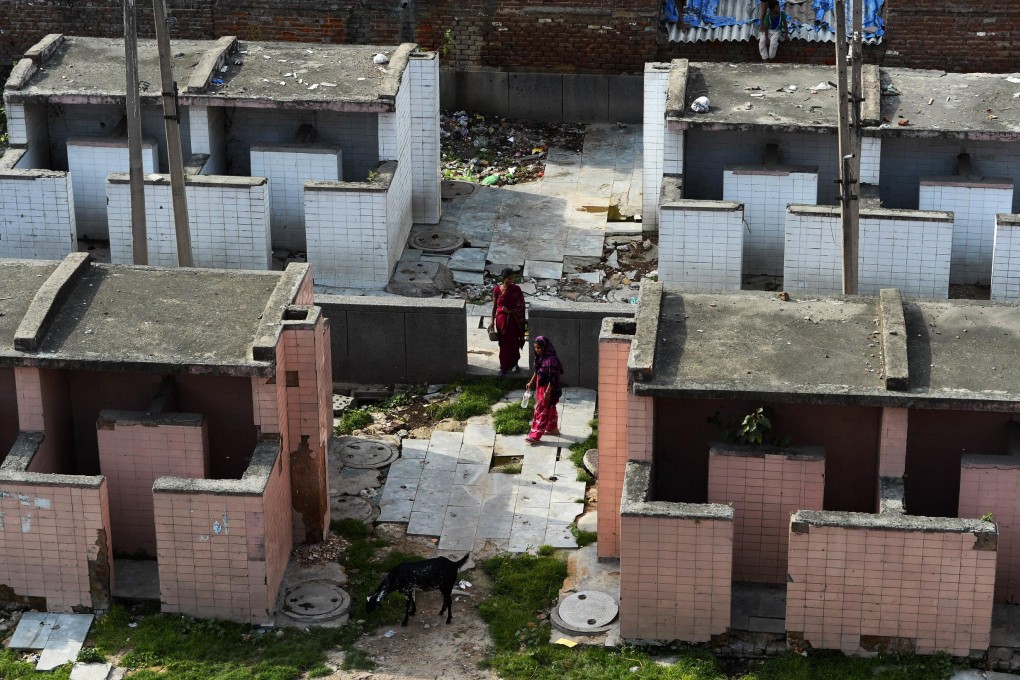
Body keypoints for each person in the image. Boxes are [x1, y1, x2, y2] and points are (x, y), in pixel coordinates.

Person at [525, 336, 564, 445]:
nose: (537, 350)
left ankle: (535, 434)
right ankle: (552, 429)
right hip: (541, 387)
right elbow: (537, 372)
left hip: (549, 389)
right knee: (550, 408)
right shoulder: (540, 358)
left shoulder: (551, 360)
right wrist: (531, 382)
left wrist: (547, 392)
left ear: (545, 347)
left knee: (541, 410)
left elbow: (553, 378)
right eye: (535, 347)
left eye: (539, 348)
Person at [489, 268, 526, 377]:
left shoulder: (516, 289)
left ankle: (515, 363)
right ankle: (503, 367)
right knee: (504, 343)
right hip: (501, 321)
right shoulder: (497, 290)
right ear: (504, 279)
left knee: (514, 342)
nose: (511, 281)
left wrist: (510, 311)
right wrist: (492, 321)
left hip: (514, 320)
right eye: (509, 279)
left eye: (513, 278)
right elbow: (495, 307)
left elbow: (521, 305)